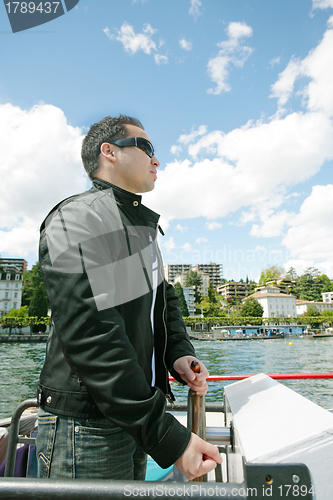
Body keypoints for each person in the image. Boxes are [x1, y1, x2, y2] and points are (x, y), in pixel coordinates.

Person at [35, 115, 221, 481]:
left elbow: (162, 303)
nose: (156, 160)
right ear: (110, 152)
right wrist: (167, 436)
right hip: (87, 427)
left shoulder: (143, 230)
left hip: (134, 421)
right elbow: (92, 336)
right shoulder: (78, 219)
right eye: (146, 148)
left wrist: (178, 353)